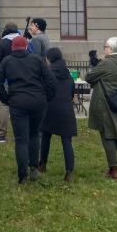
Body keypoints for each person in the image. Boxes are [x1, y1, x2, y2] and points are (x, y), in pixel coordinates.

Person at [0, 34, 56, 184]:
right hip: (38, 101)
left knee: (21, 140)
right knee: (34, 135)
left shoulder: (7, 61)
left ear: (13, 47)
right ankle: (33, 169)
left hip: (17, 102)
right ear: (26, 46)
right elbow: (50, 80)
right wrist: (46, 97)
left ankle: (22, 175)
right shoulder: (36, 60)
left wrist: (6, 99)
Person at [85, 37, 117, 178]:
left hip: (105, 103)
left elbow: (89, 77)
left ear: (112, 49)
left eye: (106, 46)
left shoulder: (107, 63)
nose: (104, 48)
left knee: (108, 135)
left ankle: (113, 169)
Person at [39, 48, 77, 182]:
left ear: (49, 59)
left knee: (45, 137)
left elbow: (43, 89)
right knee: (67, 141)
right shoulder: (67, 74)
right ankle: (69, 172)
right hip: (66, 110)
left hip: (49, 108)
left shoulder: (47, 73)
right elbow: (72, 92)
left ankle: (42, 164)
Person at [0, 22, 24, 143]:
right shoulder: (24, 41)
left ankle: (1, 134)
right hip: (23, 79)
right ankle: (21, 133)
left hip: (6, 79)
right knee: (20, 106)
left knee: (4, 105)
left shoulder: (2, 43)